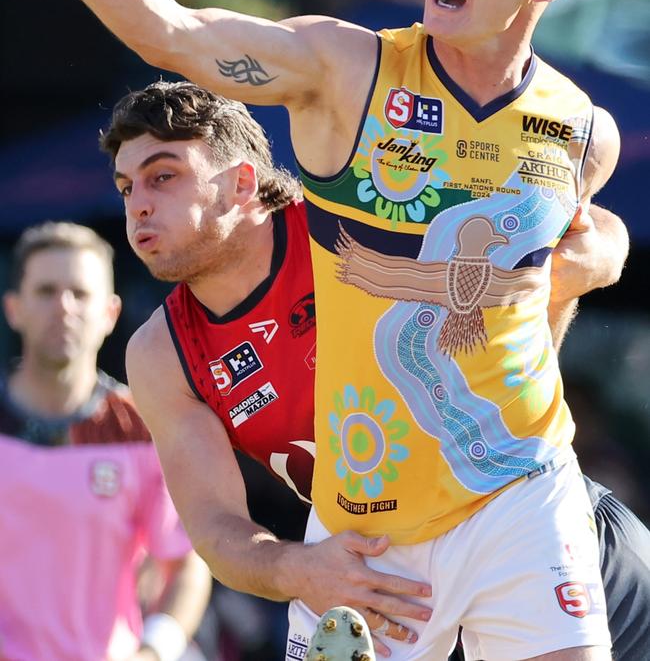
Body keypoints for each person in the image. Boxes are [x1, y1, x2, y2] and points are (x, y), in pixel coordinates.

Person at [12, 0, 623, 653]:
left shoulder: (584, 130)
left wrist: (600, 256)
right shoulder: (349, 71)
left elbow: (566, 261)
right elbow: (173, 34)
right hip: (367, 534)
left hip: (521, 489)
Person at [98, 82, 646, 661]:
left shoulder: (350, 222)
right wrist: (299, 569)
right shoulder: (162, 351)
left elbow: (570, 215)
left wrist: (597, 256)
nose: (138, 203)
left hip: (532, 529)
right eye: (126, 186)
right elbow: (214, 529)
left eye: (163, 176)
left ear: (241, 182)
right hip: (380, 580)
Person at [0, 221, 212, 661]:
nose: (63, 306)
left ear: (110, 313)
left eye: (80, 293)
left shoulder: (141, 426)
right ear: (13, 308)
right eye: (45, 291)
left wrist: (154, 651)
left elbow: (186, 565)